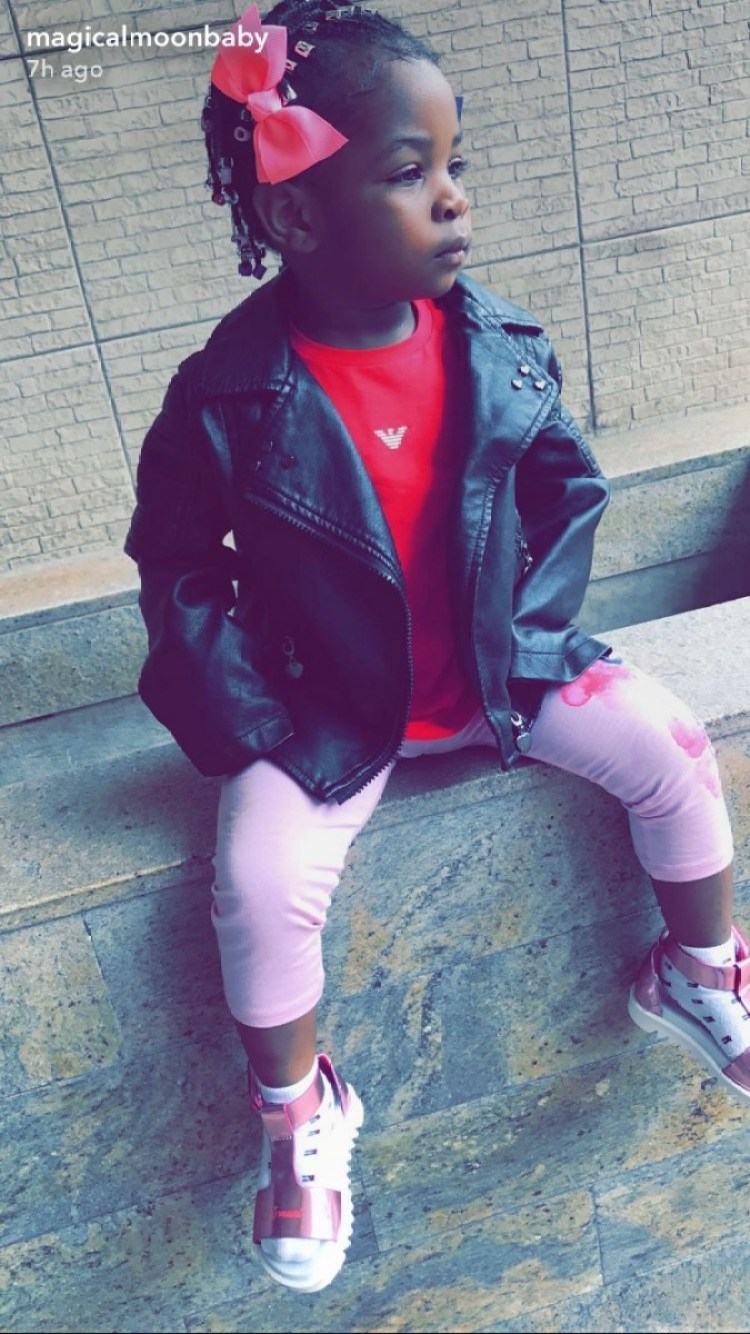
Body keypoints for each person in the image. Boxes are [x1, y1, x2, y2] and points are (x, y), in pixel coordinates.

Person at [124, 0, 744, 1296]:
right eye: (409, 173)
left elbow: (566, 492)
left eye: (455, 164)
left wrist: (533, 637)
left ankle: (693, 968)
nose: (453, 198)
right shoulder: (229, 394)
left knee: (675, 749)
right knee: (258, 878)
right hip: (332, 708)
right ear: (296, 217)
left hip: (501, 674)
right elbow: (176, 565)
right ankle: (300, 1110)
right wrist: (251, 720)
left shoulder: (499, 349)